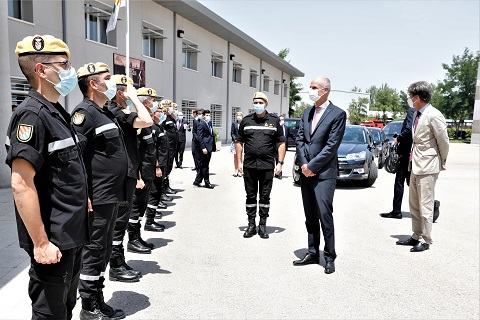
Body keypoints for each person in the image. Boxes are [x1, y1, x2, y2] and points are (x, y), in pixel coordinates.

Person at [6, 34, 88, 320]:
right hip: (53, 240)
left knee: (65, 308)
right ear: (42, 70)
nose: (70, 70)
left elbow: (64, 170)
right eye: (64, 64)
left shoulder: (56, 112)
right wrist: (40, 243)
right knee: (49, 314)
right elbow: (21, 183)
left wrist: (84, 199)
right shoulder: (32, 115)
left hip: (72, 233)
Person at [72, 62, 129, 319]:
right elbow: (75, 158)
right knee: (94, 250)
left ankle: (97, 297)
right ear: (93, 84)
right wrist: (83, 196)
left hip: (110, 194)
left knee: (104, 249)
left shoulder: (104, 112)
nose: (112, 83)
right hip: (97, 196)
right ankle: (88, 306)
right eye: (107, 78)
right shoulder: (84, 114)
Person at [293, 76, 346, 274]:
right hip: (306, 171)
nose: (311, 90)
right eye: (310, 87)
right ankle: (313, 252)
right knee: (310, 216)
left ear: (325, 90)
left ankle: (330, 255)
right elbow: (300, 140)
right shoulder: (307, 112)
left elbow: (332, 145)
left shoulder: (338, 114)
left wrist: (313, 166)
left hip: (324, 173)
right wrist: (304, 164)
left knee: (324, 215)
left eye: (314, 87)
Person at [108, 75, 153, 281]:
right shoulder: (115, 112)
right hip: (119, 178)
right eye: (127, 90)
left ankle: (118, 262)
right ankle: (116, 266)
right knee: (117, 225)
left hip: (128, 175)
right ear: (120, 92)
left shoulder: (119, 112)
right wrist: (135, 99)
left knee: (121, 222)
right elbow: (146, 120)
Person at [396, 81, 449, 252]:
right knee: (414, 203)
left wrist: (443, 160)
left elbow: (443, 141)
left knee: (425, 204)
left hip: (428, 165)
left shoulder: (434, 115)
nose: (410, 99)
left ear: (418, 97)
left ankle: (426, 240)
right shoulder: (417, 114)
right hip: (415, 164)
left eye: (411, 96)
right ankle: (416, 235)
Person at [235, 92, 286, 239]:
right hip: (249, 166)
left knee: (265, 197)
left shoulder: (274, 121)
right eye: (255, 102)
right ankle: (251, 225)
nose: (257, 105)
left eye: (260, 102)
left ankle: (262, 226)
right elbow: (239, 142)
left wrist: (280, 163)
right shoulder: (246, 121)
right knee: (250, 196)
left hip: (267, 166)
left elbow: (281, 143)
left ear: (266, 104)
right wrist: (239, 162)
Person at [381, 107, 441, 221]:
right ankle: (431, 206)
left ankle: (397, 211)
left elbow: (408, 129)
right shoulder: (426, 113)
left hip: (406, 154)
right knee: (412, 183)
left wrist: (398, 138)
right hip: (416, 154)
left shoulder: (412, 111)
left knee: (400, 182)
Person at [193, 109, 216, 188]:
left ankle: (197, 181)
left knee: (205, 165)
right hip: (204, 148)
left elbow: (211, 134)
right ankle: (207, 182)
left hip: (209, 147)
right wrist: (203, 147)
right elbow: (200, 137)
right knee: (205, 166)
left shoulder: (209, 123)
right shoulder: (201, 124)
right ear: (203, 116)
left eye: (209, 115)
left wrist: (214, 146)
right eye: (206, 115)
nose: (208, 117)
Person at [160, 99, 178, 194]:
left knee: (169, 167)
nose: (171, 108)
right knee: (165, 168)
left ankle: (166, 186)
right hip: (167, 147)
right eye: (168, 106)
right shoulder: (163, 118)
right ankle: (162, 190)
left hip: (172, 147)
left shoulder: (171, 118)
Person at [275, 115, 292, 179]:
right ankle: (276, 173)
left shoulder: (287, 128)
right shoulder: (276, 128)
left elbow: (292, 135)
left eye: (283, 119)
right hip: (276, 146)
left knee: (280, 160)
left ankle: (279, 173)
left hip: (283, 147)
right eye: (281, 119)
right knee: (276, 159)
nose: (282, 121)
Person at [231, 111, 243, 177]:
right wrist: (234, 139)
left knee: (240, 156)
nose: (239, 116)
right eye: (238, 115)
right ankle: (236, 170)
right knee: (235, 156)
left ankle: (240, 170)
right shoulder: (234, 123)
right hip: (235, 141)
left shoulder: (243, 123)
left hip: (242, 142)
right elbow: (232, 132)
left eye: (240, 115)